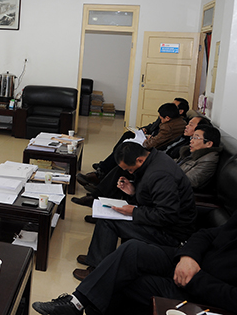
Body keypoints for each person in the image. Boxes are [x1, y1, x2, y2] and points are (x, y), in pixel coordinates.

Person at [31, 211, 237, 315]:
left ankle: (79, 306)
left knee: (123, 281)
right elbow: (207, 234)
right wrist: (189, 257)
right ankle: (76, 303)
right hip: (192, 263)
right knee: (133, 250)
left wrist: (195, 278)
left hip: (202, 290)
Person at [73, 142, 196, 281]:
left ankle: (98, 271)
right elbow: (153, 197)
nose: (130, 172)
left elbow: (167, 215)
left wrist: (134, 212)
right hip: (160, 223)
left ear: (139, 160)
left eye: (130, 169)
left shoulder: (160, 175)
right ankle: (95, 258)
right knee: (108, 215)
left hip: (171, 233)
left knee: (108, 221)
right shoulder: (154, 159)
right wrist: (133, 191)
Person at [73, 116, 212, 207]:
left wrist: (158, 165)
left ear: (208, 142)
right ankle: (99, 197)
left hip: (163, 180)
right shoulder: (186, 145)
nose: (186, 126)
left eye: (195, 135)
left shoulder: (206, 160)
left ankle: (98, 194)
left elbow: (184, 179)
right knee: (124, 160)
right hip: (159, 166)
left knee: (127, 165)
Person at [79, 102, 186, 186]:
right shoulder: (174, 120)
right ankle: (103, 168)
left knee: (125, 149)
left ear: (168, 118)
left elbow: (152, 144)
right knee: (127, 136)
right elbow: (153, 127)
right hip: (151, 140)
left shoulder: (168, 126)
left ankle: (101, 172)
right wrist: (145, 130)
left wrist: (149, 139)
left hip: (151, 148)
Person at [175, 124, 222, 191]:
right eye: (192, 137)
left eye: (196, 138)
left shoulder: (208, 160)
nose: (191, 141)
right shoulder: (193, 153)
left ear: (208, 144)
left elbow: (187, 181)